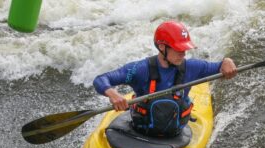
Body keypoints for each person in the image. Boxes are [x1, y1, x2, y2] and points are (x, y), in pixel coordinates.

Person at [93, 20, 237, 137]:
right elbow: (101, 79)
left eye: (185, 49)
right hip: (140, 131)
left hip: (176, 134)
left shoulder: (193, 67)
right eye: (178, 49)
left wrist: (227, 61)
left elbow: (221, 66)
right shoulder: (140, 69)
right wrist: (112, 94)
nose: (183, 53)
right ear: (162, 47)